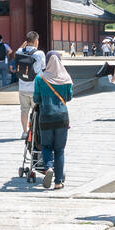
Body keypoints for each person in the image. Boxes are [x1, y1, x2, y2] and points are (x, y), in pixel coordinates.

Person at [33, 50, 73, 189]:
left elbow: (36, 98)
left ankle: (48, 168)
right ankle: (58, 182)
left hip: (45, 117)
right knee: (60, 150)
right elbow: (69, 97)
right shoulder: (66, 77)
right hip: (62, 117)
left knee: (46, 146)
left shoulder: (40, 78)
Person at [11, 31, 46, 139]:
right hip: (35, 88)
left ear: (26, 41)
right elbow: (44, 69)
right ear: (36, 41)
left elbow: (16, 54)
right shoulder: (39, 53)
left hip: (22, 87)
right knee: (37, 110)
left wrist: (23, 46)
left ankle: (25, 132)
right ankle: (35, 132)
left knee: (24, 110)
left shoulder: (19, 51)